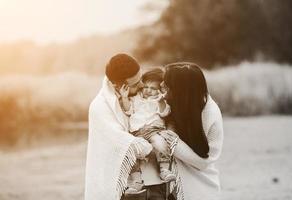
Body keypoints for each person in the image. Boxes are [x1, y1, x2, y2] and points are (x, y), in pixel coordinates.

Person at [85, 53, 156, 200]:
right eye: (136, 84)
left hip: (147, 181)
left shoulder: (137, 97)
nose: (142, 85)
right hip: (117, 185)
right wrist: (157, 146)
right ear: (117, 85)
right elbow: (124, 142)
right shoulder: (100, 107)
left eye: (141, 78)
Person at [159, 62, 224, 200]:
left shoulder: (210, 114)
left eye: (167, 84)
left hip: (202, 189)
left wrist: (174, 144)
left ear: (180, 90)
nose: (161, 86)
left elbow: (204, 162)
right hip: (172, 186)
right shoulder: (176, 103)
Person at [119, 68, 176, 193]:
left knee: (160, 143)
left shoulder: (160, 100)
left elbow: (164, 113)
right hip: (136, 132)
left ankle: (164, 170)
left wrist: (161, 101)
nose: (148, 90)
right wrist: (124, 98)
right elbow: (128, 110)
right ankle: (136, 181)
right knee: (130, 152)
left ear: (160, 89)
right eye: (146, 87)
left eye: (153, 88)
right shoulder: (136, 99)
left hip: (153, 130)